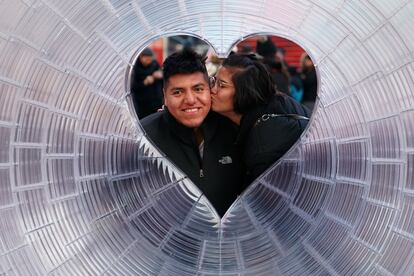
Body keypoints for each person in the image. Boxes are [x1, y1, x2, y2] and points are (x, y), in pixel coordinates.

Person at [141, 49, 244, 217]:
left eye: (198, 89)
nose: (190, 100)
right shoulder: (144, 138)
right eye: (178, 92)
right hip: (166, 239)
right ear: (165, 96)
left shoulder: (234, 130)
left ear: (210, 89)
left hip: (227, 239)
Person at [210, 53, 310, 184]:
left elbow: (268, 198)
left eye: (221, 85)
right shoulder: (278, 101)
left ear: (244, 93)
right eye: (214, 81)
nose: (212, 89)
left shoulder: (264, 146)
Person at [131, 48, 164, 119]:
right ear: (141, 57)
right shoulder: (135, 69)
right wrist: (144, 82)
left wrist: (160, 75)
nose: (149, 61)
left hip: (156, 102)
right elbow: (132, 88)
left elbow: (163, 81)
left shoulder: (155, 64)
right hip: (142, 105)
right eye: (147, 59)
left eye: (150, 59)